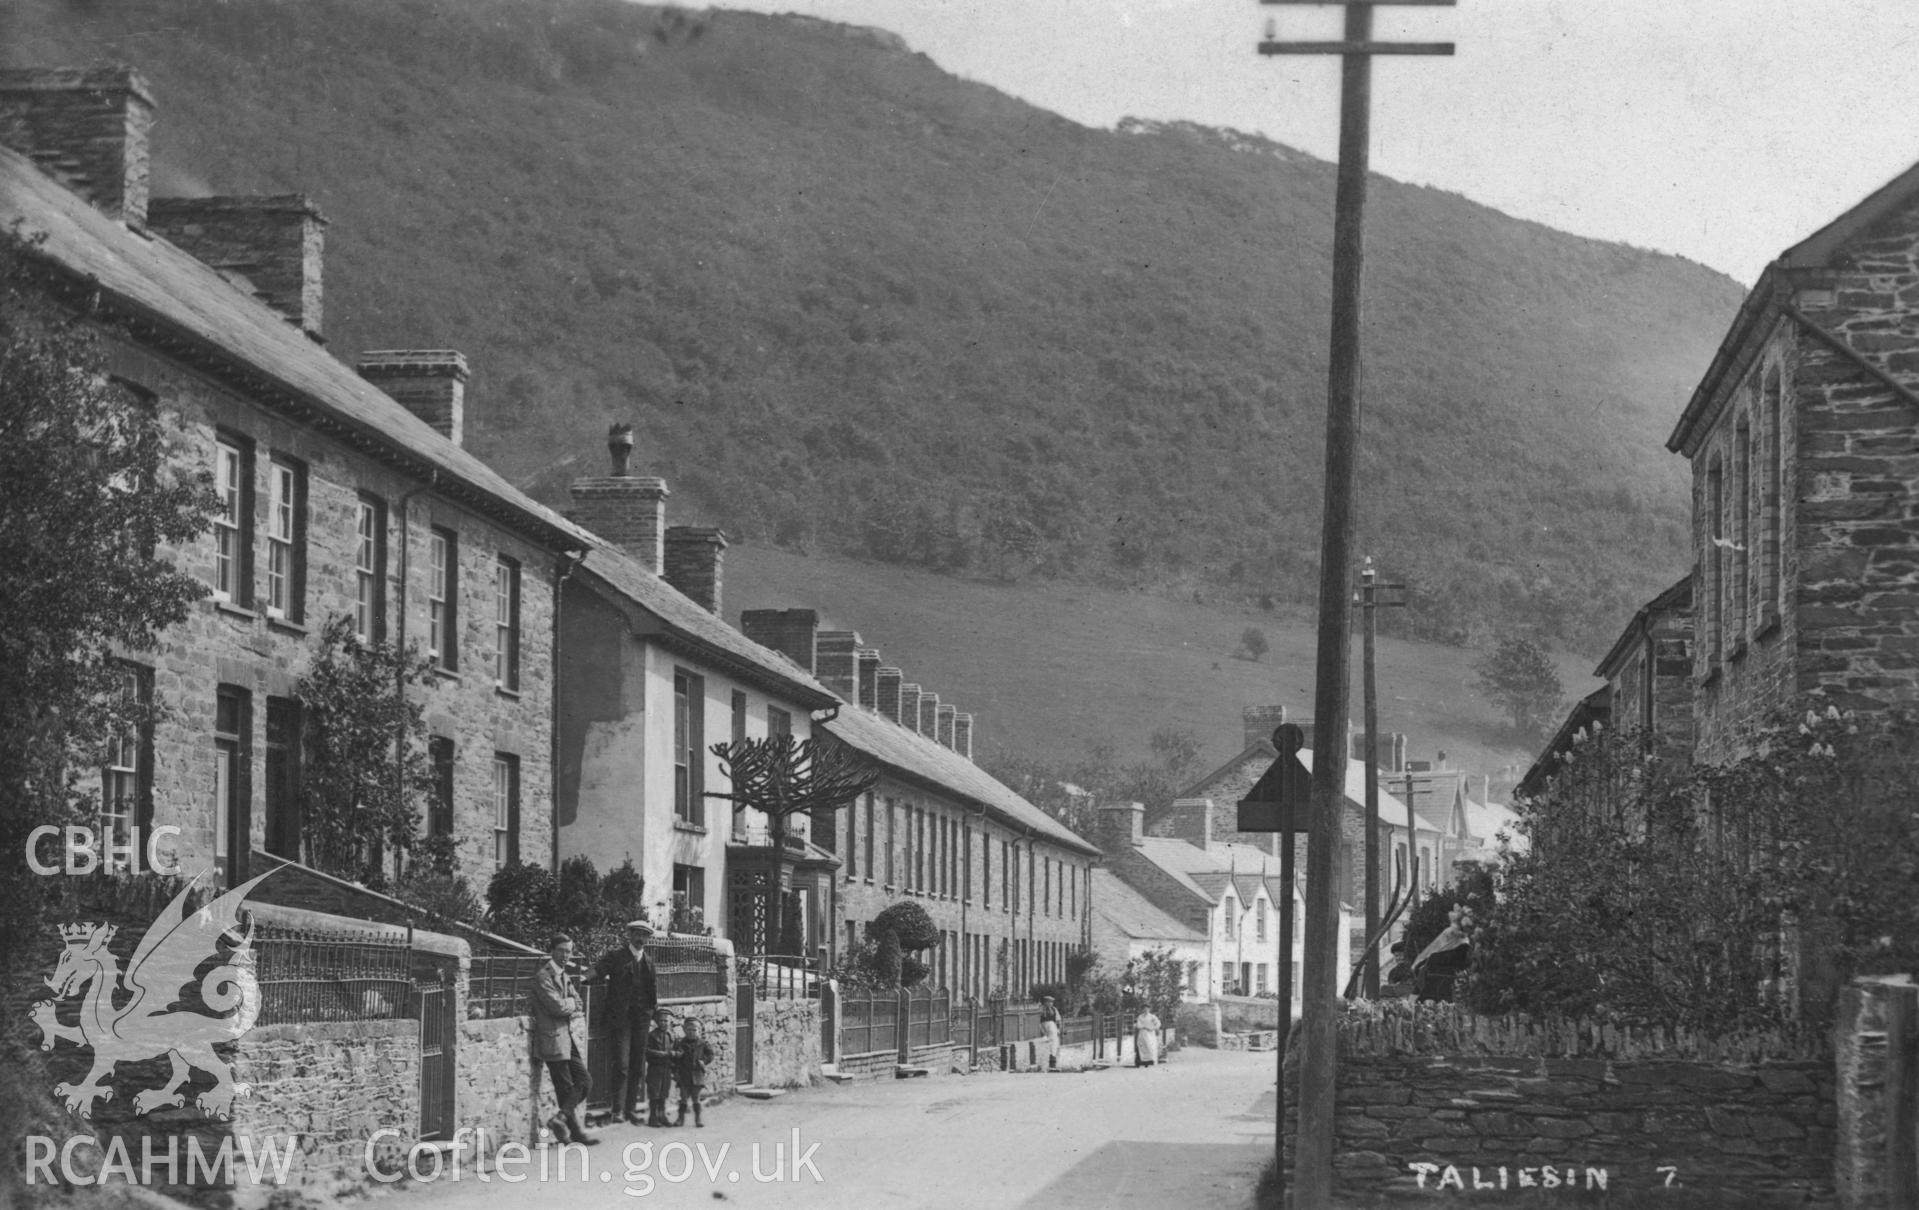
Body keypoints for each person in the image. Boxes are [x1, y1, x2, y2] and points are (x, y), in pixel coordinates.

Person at [587, 918, 660, 1125]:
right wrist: (581, 978)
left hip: (642, 1020)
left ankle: (631, 1109)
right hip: (621, 1020)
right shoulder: (617, 956)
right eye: (637, 934)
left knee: (637, 1065)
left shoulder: (648, 961)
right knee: (622, 1064)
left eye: (644, 935)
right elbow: (598, 970)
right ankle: (616, 1110)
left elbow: (652, 992)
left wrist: (652, 1014)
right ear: (630, 935)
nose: (640, 938)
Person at [531, 933, 597, 1145]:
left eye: (568, 951)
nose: (565, 955)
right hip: (551, 1037)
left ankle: (560, 1119)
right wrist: (567, 1003)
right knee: (565, 1087)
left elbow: (578, 1002)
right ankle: (575, 1133)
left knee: (585, 1081)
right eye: (561, 950)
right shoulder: (544, 976)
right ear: (552, 950)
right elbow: (557, 1007)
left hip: (565, 1037)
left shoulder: (564, 976)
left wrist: (567, 1003)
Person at [672, 1016, 715, 1128]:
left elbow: (711, 1055)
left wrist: (704, 1061)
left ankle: (698, 1118)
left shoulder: (703, 1043)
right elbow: (675, 1060)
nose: (691, 1032)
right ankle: (680, 1118)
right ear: (685, 1030)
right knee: (683, 1098)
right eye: (689, 1030)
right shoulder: (680, 1043)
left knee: (696, 1097)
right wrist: (675, 1071)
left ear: (699, 1031)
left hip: (697, 1074)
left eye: (694, 1030)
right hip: (684, 1074)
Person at [642, 1008, 678, 1127]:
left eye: (666, 1021)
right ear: (657, 1021)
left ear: (670, 1022)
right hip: (655, 1068)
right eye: (661, 1020)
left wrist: (675, 1054)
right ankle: (653, 1117)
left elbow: (678, 1049)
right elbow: (646, 1051)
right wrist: (660, 1054)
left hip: (667, 1068)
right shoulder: (652, 1035)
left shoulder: (672, 1035)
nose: (664, 1023)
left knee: (664, 1092)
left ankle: (662, 1115)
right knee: (654, 1093)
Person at [1038, 994, 1062, 1071]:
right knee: (1049, 1044)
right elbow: (1038, 1021)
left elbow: (1058, 1020)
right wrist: (1042, 1032)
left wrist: (1058, 1029)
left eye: (1051, 1002)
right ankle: (1047, 1064)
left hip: (1052, 1028)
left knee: (1054, 1044)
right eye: (1049, 1002)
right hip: (1044, 1027)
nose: (1050, 1003)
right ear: (1045, 1002)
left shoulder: (1054, 1009)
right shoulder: (1041, 1010)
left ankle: (1052, 1063)